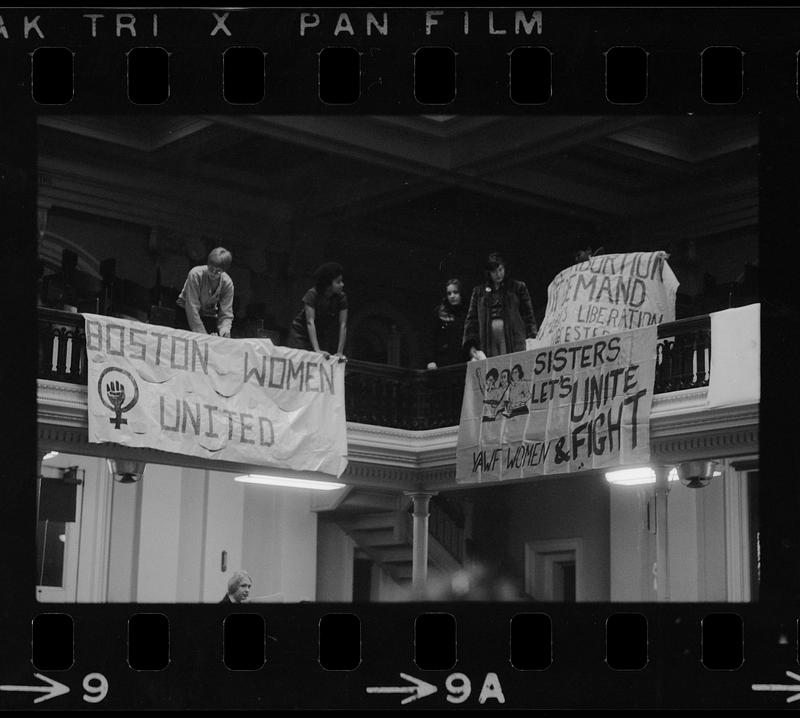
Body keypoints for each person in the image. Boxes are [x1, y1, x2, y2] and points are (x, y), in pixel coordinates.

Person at [463, 252, 537, 360]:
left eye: (500, 269)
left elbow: (528, 315)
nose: (498, 274)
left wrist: (532, 337)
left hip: (513, 338)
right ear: (489, 273)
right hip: (488, 340)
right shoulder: (479, 292)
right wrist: (471, 345)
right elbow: (471, 320)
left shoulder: (517, 287)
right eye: (494, 271)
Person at [287, 262, 348, 360]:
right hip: (301, 333)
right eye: (338, 282)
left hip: (320, 333)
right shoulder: (312, 295)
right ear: (328, 285)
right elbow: (310, 322)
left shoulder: (341, 297)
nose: (342, 284)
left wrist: (340, 352)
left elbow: (343, 324)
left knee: (324, 359)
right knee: (301, 360)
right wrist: (317, 350)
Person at [176, 247, 234, 337]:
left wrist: (225, 331)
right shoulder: (195, 274)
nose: (213, 273)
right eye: (211, 269)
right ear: (207, 264)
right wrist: (203, 336)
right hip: (186, 312)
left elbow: (226, 313)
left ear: (224, 271)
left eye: (218, 271)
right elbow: (192, 307)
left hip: (208, 315)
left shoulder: (227, 283)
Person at [427, 278, 468, 369]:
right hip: (443, 361)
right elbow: (431, 338)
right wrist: (431, 360)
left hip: (463, 360)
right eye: (449, 293)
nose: (452, 296)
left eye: (455, 292)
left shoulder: (468, 312)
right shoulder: (439, 312)